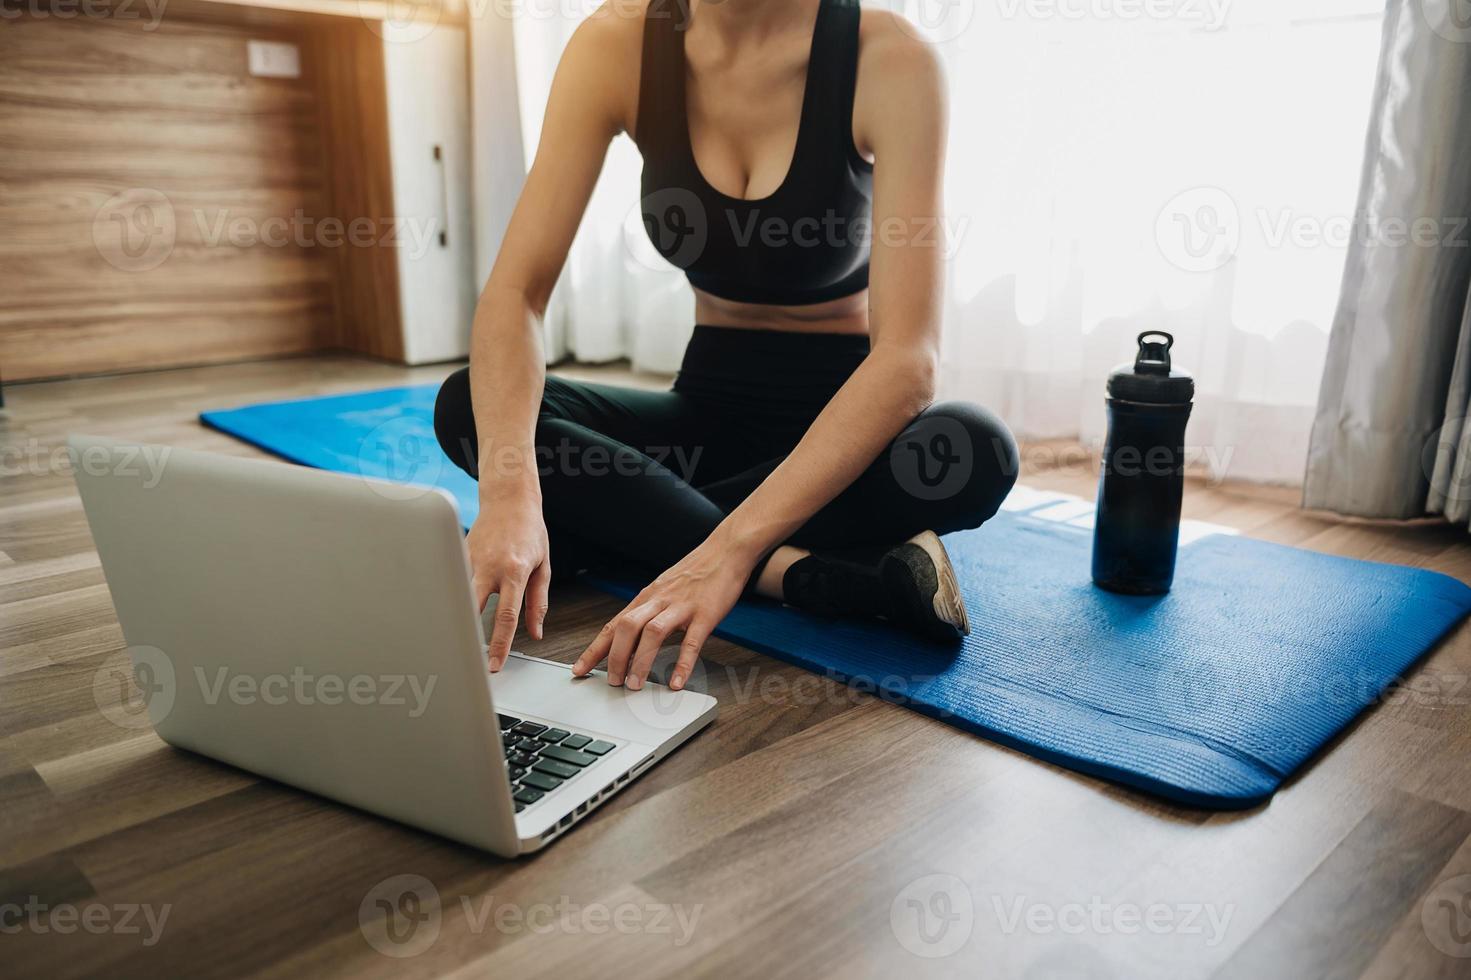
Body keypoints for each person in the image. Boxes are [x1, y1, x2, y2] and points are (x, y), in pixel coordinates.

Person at [434, 0, 1018, 694]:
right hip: (704, 413)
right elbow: (514, 296)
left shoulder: (890, 58)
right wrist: (508, 495)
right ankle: (809, 577)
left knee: (970, 452)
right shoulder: (613, 44)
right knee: (469, 404)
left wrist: (727, 551)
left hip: (845, 439)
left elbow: (907, 361)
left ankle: (624, 523)